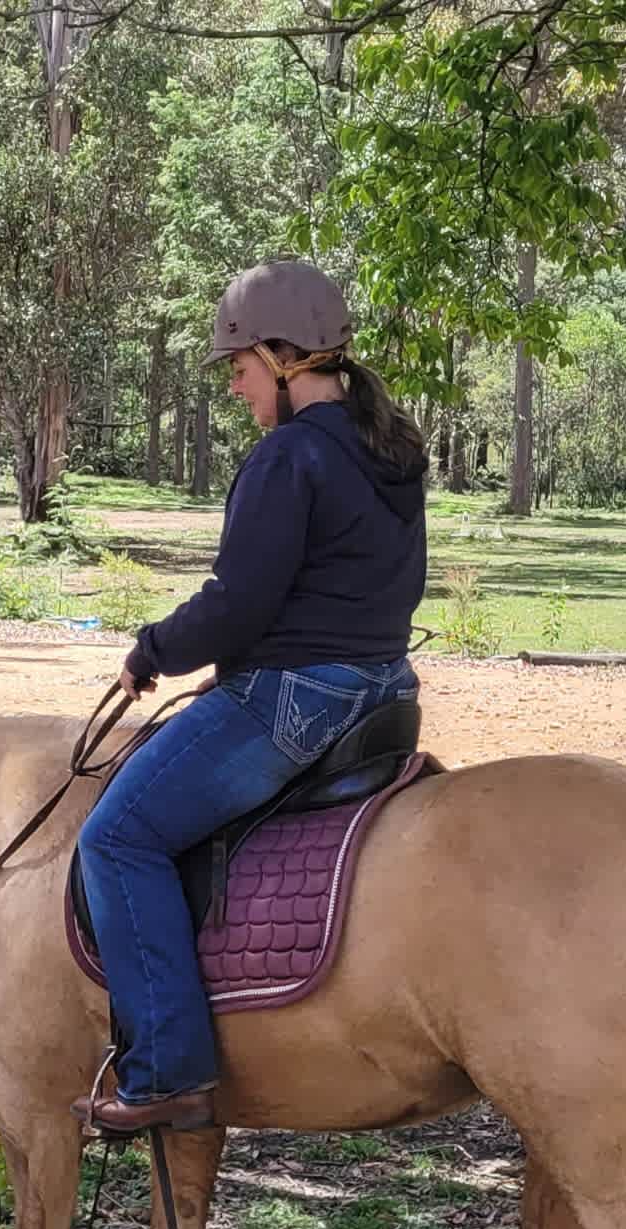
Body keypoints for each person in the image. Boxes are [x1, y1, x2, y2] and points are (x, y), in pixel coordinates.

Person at [75, 259, 429, 1135]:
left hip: (292, 701)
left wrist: (152, 651)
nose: (234, 388)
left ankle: (166, 1071)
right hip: (382, 689)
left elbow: (238, 605)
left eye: (237, 369)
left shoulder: (290, 456)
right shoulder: (392, 449)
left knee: (117, 836)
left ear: (279, 357)